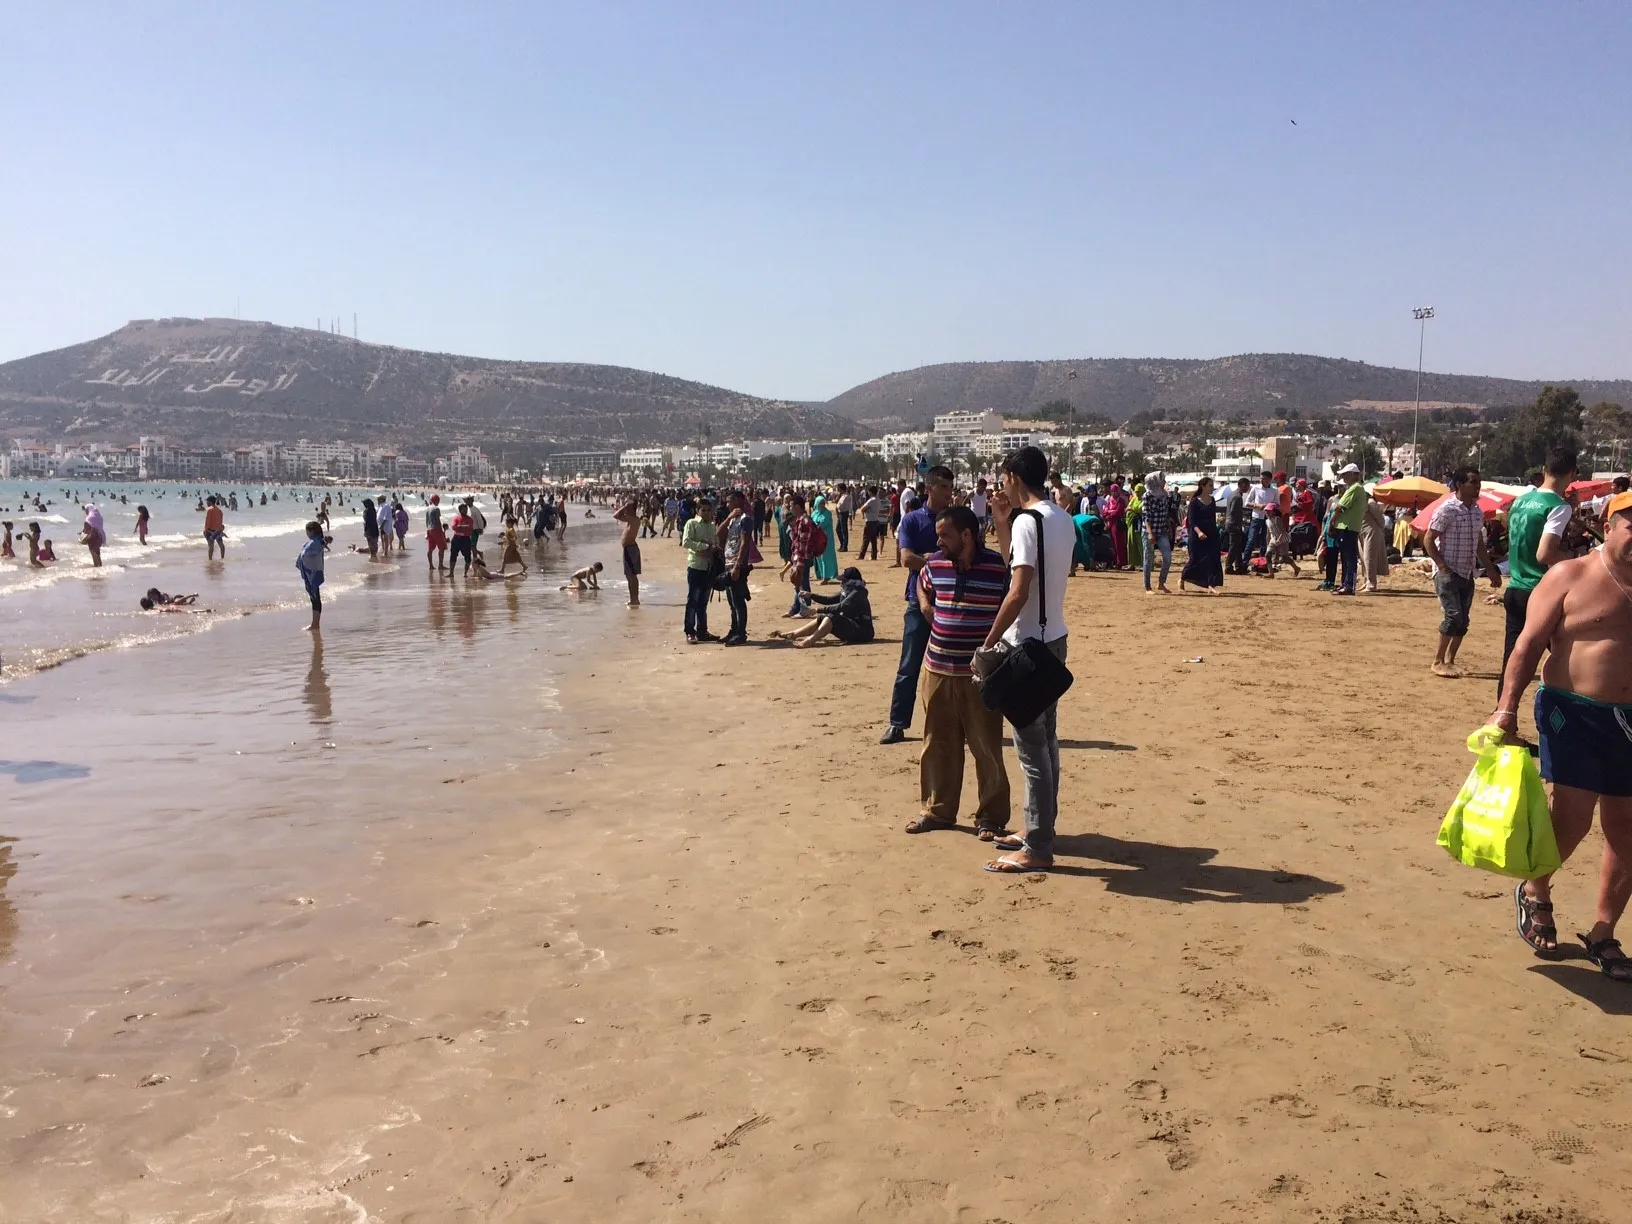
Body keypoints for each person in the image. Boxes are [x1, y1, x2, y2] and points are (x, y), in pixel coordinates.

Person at [1500, 490, 1632, 982]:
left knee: (1626, 829)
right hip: (1570, 713)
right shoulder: (1569, 576)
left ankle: (1603, 933)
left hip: (1631, 723)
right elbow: (1528, 643)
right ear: (1608, 523)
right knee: (1572, 819)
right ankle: (1537, 890)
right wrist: (1505, 709)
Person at [978, 446, 1074, 873]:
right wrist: (1002, 522)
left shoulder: (1027, 523)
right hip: (1055, 639)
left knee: (1032, 751)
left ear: (1015, 477)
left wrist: (988, 642)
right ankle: (1040, 827)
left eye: (1003, 479)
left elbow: (1017, 591)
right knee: (1047, 742)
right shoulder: (1060, 517)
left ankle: (1038, 845)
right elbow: (1018, 566)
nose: (1001, 486)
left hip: (1027, 648)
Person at [905, 505, 1011, 840]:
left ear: (966, 535)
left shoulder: (997, 567)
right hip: (936, 668)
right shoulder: (934, 563)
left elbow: (1013, 602)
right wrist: (924, 603)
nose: (939, 542)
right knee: (937, 744)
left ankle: (991, 818)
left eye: (944, 535)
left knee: (986, 746)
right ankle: (938, 811)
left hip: (979, 674)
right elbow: (922, 582)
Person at [880, 466, 954, 745]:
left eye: (950, 487)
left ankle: (952, 724)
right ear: (930, 488)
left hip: (952, 602)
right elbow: (906, 559)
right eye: (944, 487)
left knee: (953, 668)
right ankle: (898, 723)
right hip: (918, 600)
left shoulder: (959, 520)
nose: (949, 492)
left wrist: (927, 559)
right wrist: (938, 562)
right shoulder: (912, 520)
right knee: (909, 665)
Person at [1498, 448, 1578, 701]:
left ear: (1544, 470)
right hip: (1542, 592)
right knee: (1567, 657)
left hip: (1516, 586)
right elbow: (1545, 554)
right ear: (1573, 474)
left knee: (1512, 659)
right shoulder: (1558, 506)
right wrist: (1575, 561)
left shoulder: (1521, 500)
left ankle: (1502, 716)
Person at [1426, 467, 1502, 678]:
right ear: (1459, 485)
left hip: (1466, 572)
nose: (1478, 486)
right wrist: (1441, 566)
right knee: (1453, 616)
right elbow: (1428, 539)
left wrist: (1489, 569)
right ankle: (1438, 660)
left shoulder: (1476, 511)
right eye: (1473, 482)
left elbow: (1478, 543)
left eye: (1478, 482)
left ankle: (1450, 661)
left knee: (1463, 620)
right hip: (1448, 571)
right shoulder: (1447, 509)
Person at [773, 566, 874, 647]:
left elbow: (841, 607)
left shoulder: (858, 592)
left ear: (852, 582)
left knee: (831, 617)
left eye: (844, 580)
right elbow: (829, 600)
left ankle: (810, 640)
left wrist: (816, 610)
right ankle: (793, 634)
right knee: (822, 618)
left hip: (863, 632)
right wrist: (811, 595)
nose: (841, 583)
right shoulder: (848, 591)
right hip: (852, 628)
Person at [719, 489, 758, 644]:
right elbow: (719, 533)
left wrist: (737, 565)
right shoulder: (733, 519)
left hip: (737, 564)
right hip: (728, 562)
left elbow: (744, 543)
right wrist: (729, 517)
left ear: (738, 500)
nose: (727, 504)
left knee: (738, 601)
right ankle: (734, 630)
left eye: (730, 501)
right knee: (731, 601)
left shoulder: (745, 519)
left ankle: (741, 634)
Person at [681, 499, 719, 643]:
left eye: (709, 510)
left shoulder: (712, 525)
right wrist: (704, 546)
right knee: (693, 601)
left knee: (703, 602)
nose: (706, 513)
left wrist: (713, 546)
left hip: (708, 567)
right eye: (703, 510)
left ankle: (702, 631)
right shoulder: (692, 523)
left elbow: (715, 542)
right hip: (695, 566)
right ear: (697, 511)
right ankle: (690, 632)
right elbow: (686, 542)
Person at [1328, 463, 1368, 595]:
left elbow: (1340, 507)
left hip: (1347, 526)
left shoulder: (1354, 488)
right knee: (1347, 557)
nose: (1343, 477)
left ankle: (1349, 585)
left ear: (1353, 475)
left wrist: (1332, 522)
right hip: (1350, 526)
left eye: (1345, 474)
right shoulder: (1358, 488)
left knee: (1348, 557)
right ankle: (1346, 583)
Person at [1179, 478, 1224, 593]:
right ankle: (1183, 578)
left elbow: (1213, 518)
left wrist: (1215, 532)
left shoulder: (1212, 500)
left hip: (1211, 533)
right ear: (1203, 486)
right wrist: (1199, 532)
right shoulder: (1194, 501)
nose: (1212, 487)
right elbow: (1192, 521)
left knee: (1213, 558)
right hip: (1197, 534)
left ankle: (1211, 584)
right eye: (1210, 485)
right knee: (1195, 559)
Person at [1142, 472, 1179, 593]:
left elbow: (1166, 513)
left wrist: (1169, 527)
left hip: (1162, 531)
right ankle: (1147, 587)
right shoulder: (1147, 496)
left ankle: (1161, 583)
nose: (1164, 483)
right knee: (1148, 559)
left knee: (1167, 557)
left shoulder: (1165, 495)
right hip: (1150, 531)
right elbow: (1146, 516)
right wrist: (1150, 533)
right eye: (1162, 480)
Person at [297, 521, 329, 632]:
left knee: (315, 599)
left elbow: (309, 553)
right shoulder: (316, 540)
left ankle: (315, 624)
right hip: (312, 572)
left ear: (312, 531)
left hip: (313, 573)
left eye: (307, 531)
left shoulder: (316, 542)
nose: (306, 533)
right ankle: (315, 623)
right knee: (314, 598)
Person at [612, 497, 642, 607]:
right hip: (629, 549)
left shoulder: (633, 519)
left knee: (631, 575)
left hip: (631, 549)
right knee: (630, 575)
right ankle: (634, 598)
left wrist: (625, 507)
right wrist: (626, 507)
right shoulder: (630, 519)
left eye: (627, 507)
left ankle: (634, 599)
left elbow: (616, 515)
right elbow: (618, 516)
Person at [1245, 471, 1277, 559]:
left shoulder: (1274, 490)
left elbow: (1277, 504)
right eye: (1261, 478)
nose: (1262, 480)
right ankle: (1245, 562)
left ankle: (1262, 561)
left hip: (1268, 518)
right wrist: (1257, 505)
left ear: (1269, 480)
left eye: (1264, 478)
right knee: (1251, 539)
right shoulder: (1255, 488)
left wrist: (1270, 507)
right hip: (1257, 516)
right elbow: (1246, 503)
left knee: (1265, 541)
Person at [1358, 497, 1387, 590]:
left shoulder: (1371, 503)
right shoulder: (1358, 501)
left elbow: (1380, 519)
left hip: (1372, 531)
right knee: (1363, 557)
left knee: (1369, 557)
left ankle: (1371, 583)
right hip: (1361, 531)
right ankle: (1366, 580)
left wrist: (1380, 530)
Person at [810, 495, 840, 582]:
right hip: (816, 539)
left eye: (823, 503)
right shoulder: (814, 513)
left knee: (826, 558)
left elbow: (821, 524)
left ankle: (826, 578)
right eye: (820, 503)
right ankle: (821, 575)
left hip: (826, 539)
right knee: (818, 557)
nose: (822, 505)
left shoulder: (827, 513)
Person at [1224, 477, 1250, 575]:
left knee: (1237, 545)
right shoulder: (1237, 497)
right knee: (1234, 546)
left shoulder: (1232, 494)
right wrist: (1238, 524)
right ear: (1241, 485)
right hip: (1234, 523)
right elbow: (1234, 511)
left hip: (1231, 522)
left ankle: (1239, 566)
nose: (1247, 488)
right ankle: (1228, 566)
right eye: (1246, 485)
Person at [858, 487, 889, 560]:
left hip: (869, 521)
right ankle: (873, 555)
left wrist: (866, 511)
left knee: (866, 539)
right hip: (876, 520)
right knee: (873, 540)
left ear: (870, 492)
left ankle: (861, 555)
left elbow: (862, 509)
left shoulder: (871, 500)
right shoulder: (878, 500)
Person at [448, 501, 475, 575]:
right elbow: (453, 527)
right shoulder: (456, 518)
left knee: (468, 557)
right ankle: (451, 573)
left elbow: (470, 529)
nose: (465, 511)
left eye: (466, 509)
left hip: (466, 539)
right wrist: (464, 527)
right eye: (464, 509)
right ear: (460, 510)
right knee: (453, 555)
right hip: (456, 538)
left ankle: (465, 573)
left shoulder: (470, 519)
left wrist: (460, 527)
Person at [1125, 481, 1145, 574]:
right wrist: (1131, 510)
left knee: (1141, 544)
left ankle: (1145, 564)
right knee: (1131, 543)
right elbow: (1128, 507)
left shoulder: (1145, 499)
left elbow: (1140, 509)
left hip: (1140, 524)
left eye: (1139, 491)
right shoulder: (1134, 498)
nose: (1137, 493)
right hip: (1131, 523)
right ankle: (1132, 564)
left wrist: (1132, 509)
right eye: (1136, 491)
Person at [425, 495, 448, 572]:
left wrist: (427, 530)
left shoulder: (427, 508)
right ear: (437, 501)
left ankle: (431, 566)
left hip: (429, 529)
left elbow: (427, 521)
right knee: (442, 547)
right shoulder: (436, 508)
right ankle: (440, 565)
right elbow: (438, 521)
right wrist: (441, 531)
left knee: (430, 549)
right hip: (436, 529)